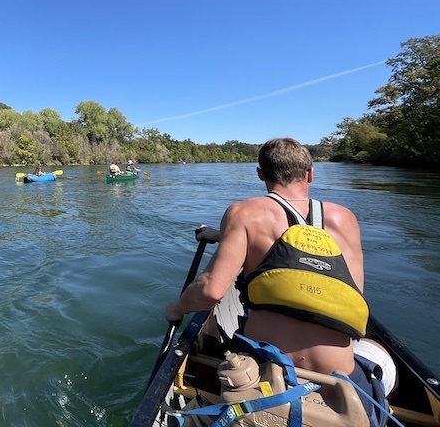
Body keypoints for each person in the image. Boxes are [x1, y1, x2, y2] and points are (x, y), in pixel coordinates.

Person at [164, 138, 391, 426]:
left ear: (261, 174)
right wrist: (221, 235)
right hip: (340, 388)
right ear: (310, 174)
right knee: (379, 354)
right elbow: (352, 295)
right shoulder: (344, 219)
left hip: (265, 375)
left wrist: (176, 306)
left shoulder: (244, 212)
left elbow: (210, 291)